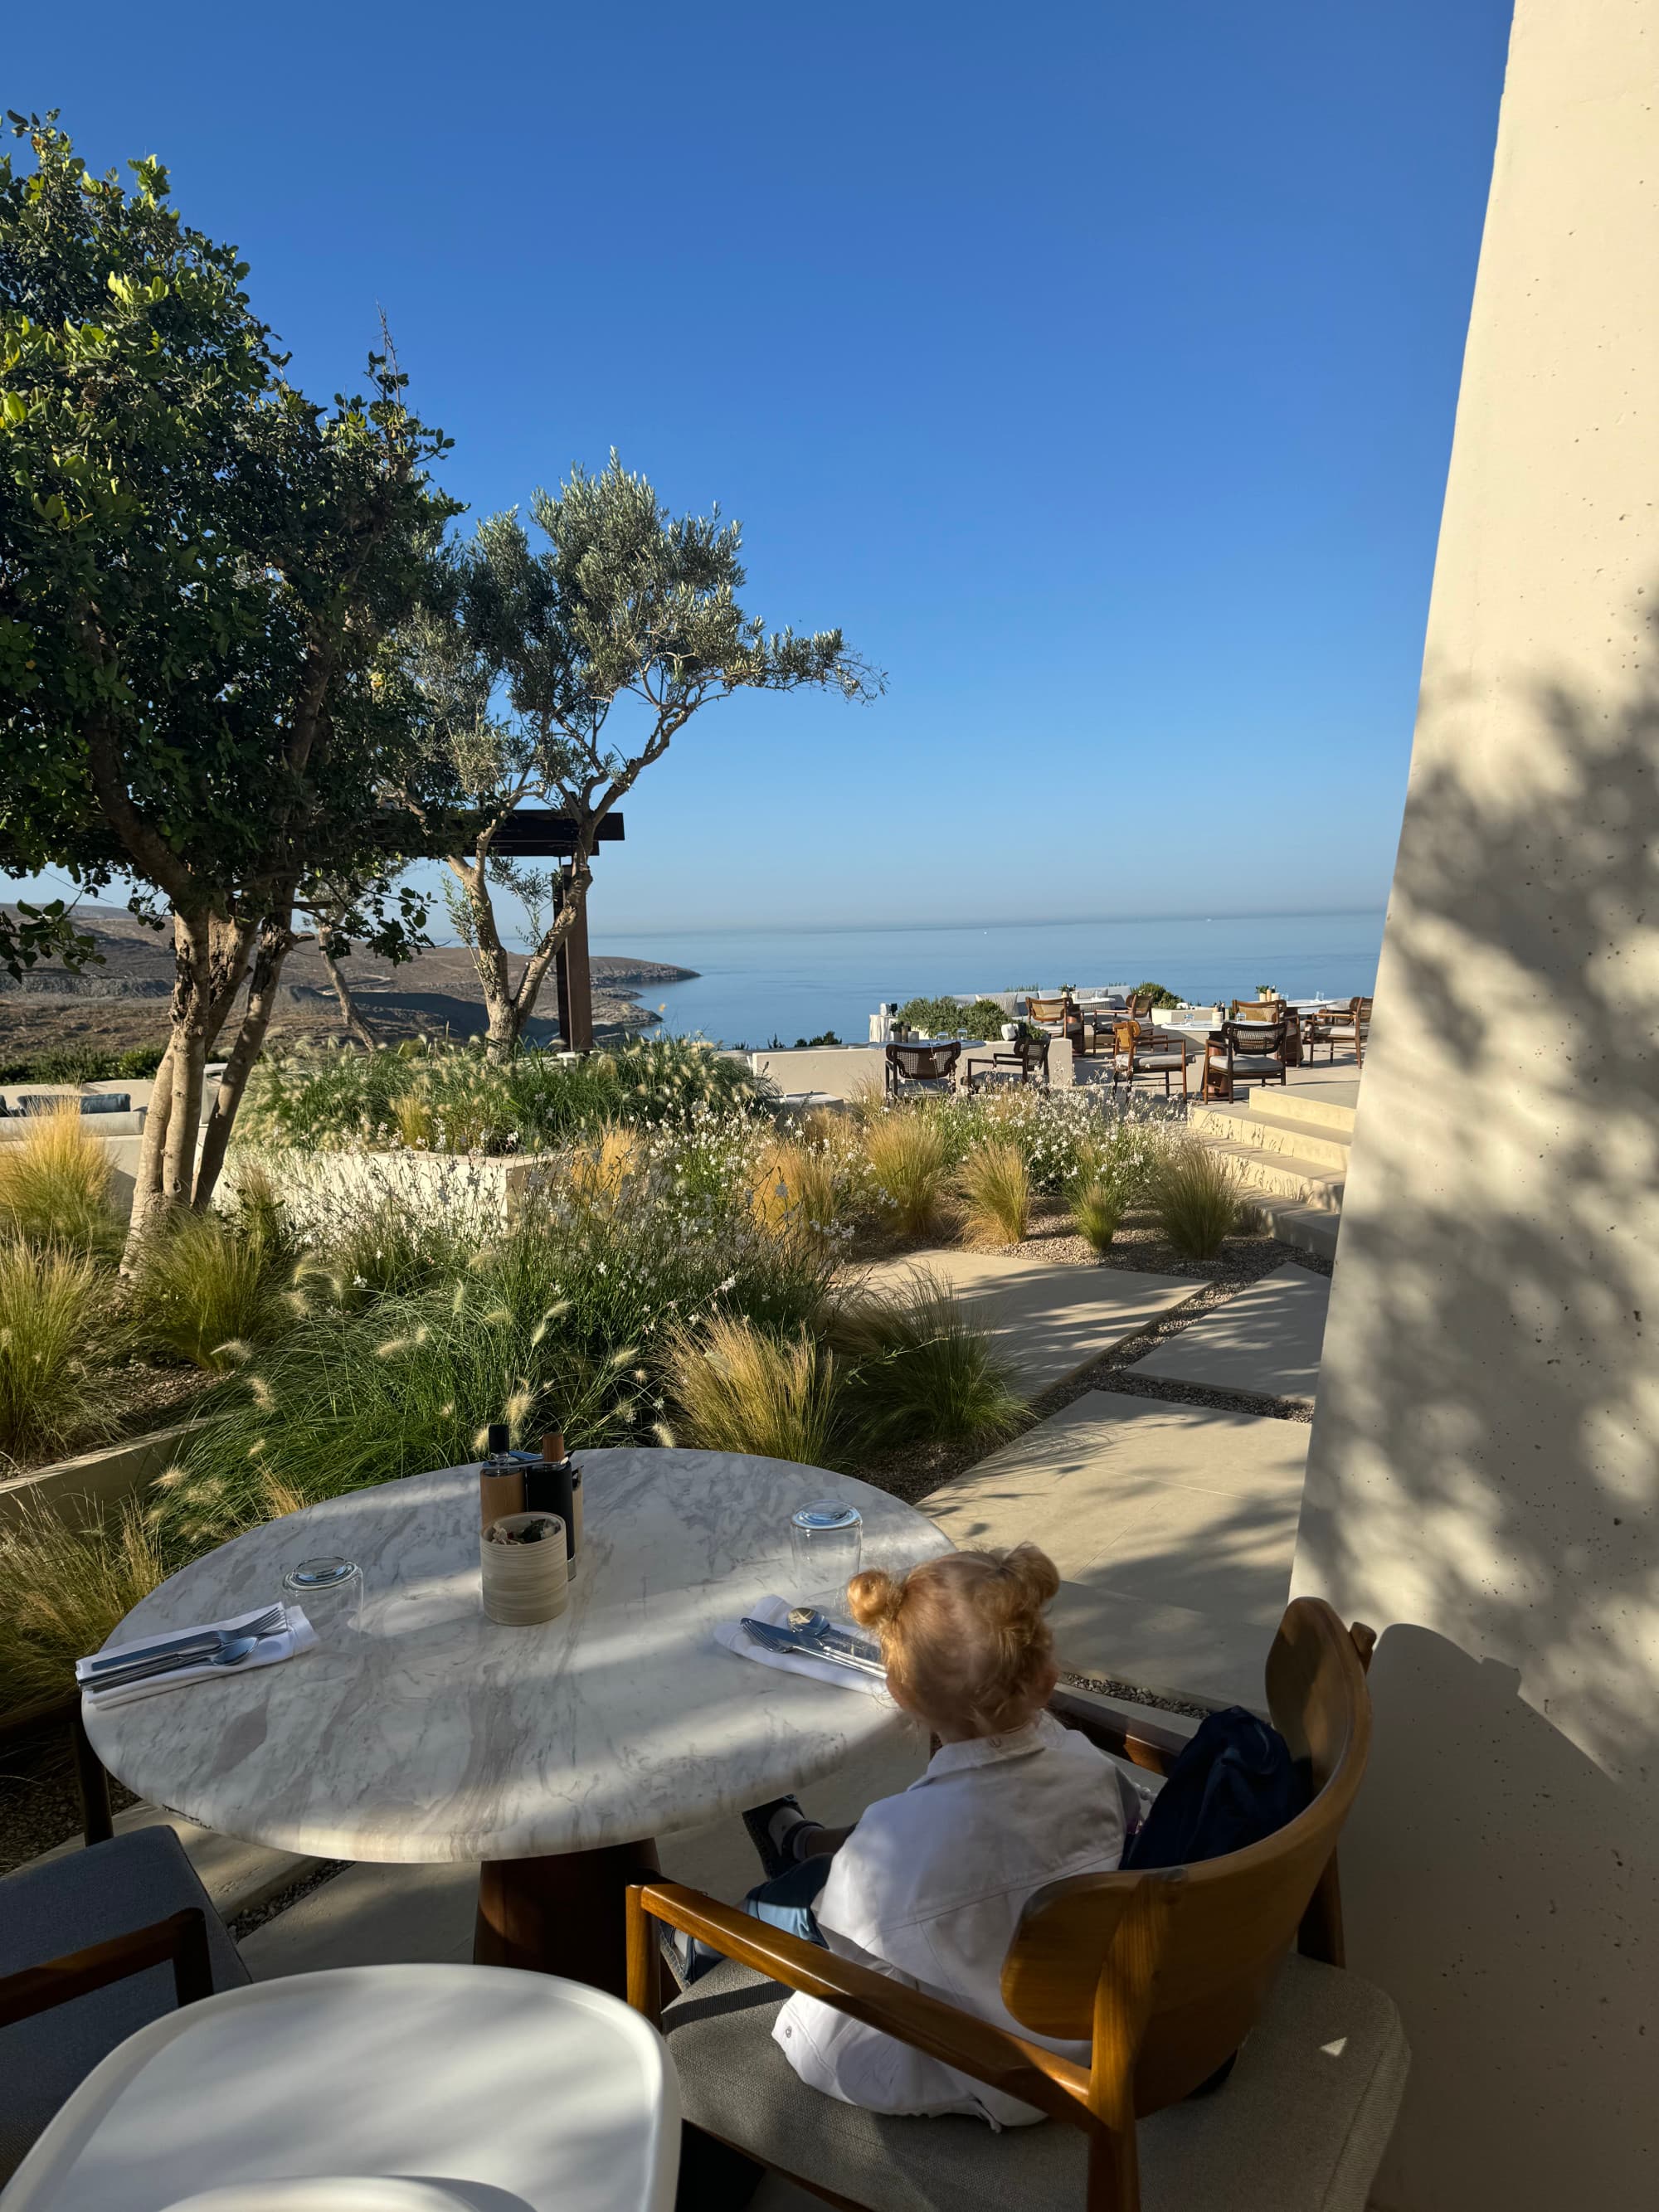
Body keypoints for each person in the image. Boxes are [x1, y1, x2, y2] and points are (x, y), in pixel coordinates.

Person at [684, 1543, 1150, 2128]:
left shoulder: (903, 1839)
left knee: (773, 1906)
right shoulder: (1095, 1772)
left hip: (995, 2063)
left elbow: (844, 1929)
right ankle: (802, 1844)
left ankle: (697, 1986)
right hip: (1086, 2027)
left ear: (901, 1693)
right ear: (1045, 1676)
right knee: (867, 1855)